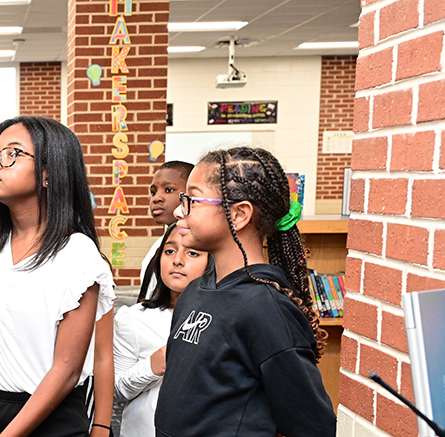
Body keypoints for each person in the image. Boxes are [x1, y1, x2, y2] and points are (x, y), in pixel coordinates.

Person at [154, 147, 336, 436]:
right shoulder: (194, 291)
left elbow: (313, 425)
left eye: (193, 200)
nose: (179, 210)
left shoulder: (265, 308)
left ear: (238, 214)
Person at [0, 116, 115, 437]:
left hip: (49, 420)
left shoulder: (77, 255)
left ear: (47, 173)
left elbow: (66, 371)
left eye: (12, 153)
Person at [113, 224, 210, 437]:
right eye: (170, 251)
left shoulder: (225, 318)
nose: (177, 260)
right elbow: (116, 392)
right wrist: (152, 366)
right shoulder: (133, 319)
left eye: (192, 253)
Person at [138, 161, 193, 303]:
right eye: (153, 192)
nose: (157, 198)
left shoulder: (197, 243)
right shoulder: (158, 245)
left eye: (168, 190)